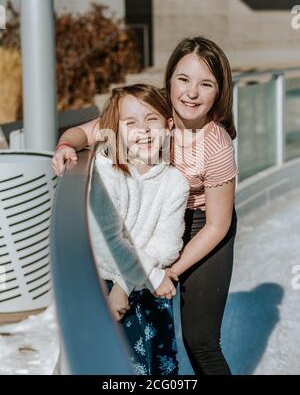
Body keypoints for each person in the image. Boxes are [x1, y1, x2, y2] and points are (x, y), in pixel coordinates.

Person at [52, 36, 238, 375]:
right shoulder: (151, 109)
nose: (191, 93)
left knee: (200, 340)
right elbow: (90, 132)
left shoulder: (217, 145)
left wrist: (168, 272)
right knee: (128, 325)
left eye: (205, 84)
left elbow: (218, 224)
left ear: (219, 92)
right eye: (183, 79)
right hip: (153, 212)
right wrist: (66, 145)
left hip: (202, 222)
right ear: (169, 80)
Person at [84, 84, 190, 375]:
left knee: (159, 364)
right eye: (130, 123)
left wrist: (125, 285)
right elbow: (105, 239)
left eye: (151, 119)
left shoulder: (175, 183)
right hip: (105, 284)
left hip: (146, 286)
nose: (142, 130)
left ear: (168, 125)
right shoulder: (107, 170)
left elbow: (167, 246)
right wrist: (140, 278)